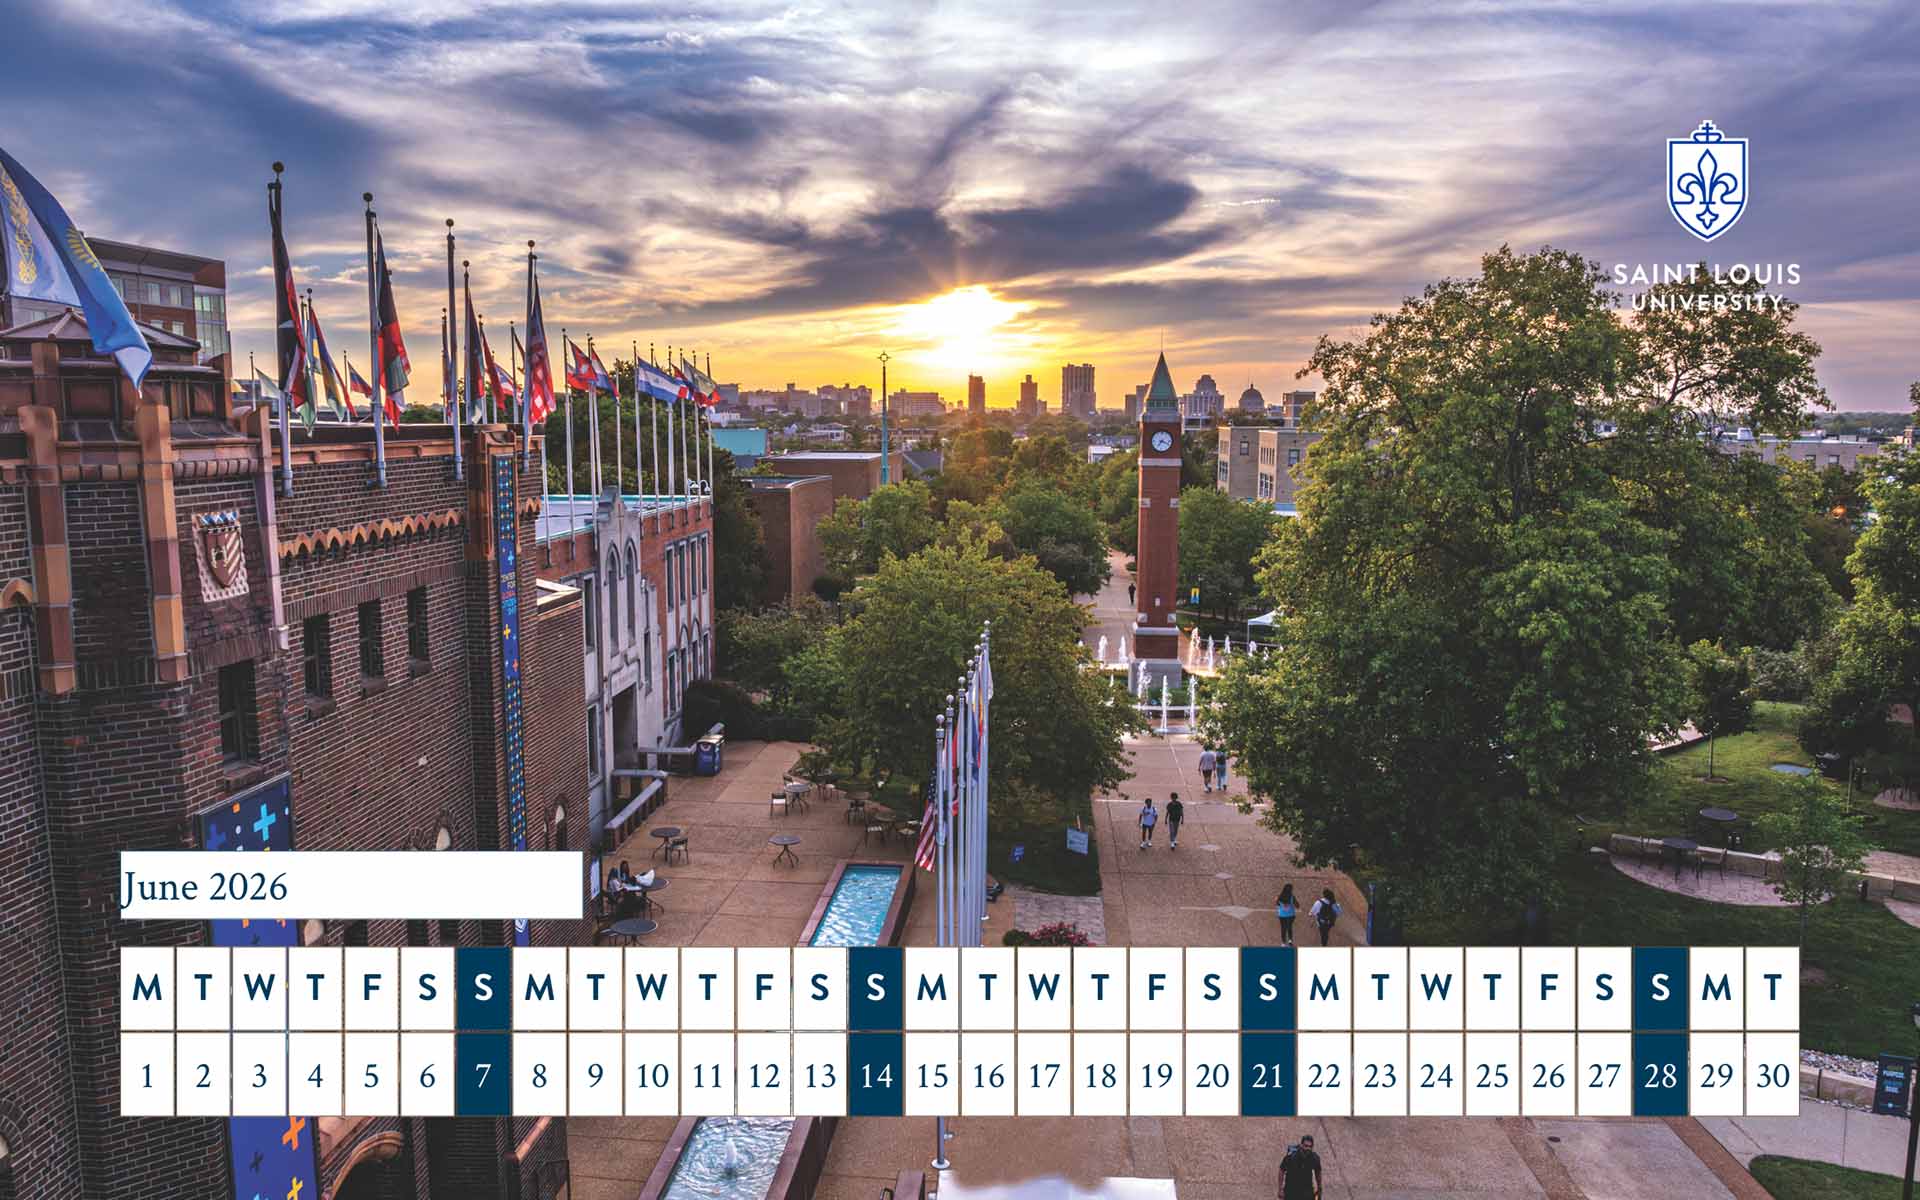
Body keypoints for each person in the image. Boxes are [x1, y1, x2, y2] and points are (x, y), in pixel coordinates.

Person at [1278, 1134, 1322, 1200]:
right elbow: (1281, 1170)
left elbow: (1318, 1172)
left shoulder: (1315, 1158)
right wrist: (1280, 1189)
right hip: (1291, 1190)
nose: (1308, 1148)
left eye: (1310, 1146)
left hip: (1307, 1191)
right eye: (1306, 1146)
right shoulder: (1291, 1157)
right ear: (1301, 1145)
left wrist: (1319, 1187)